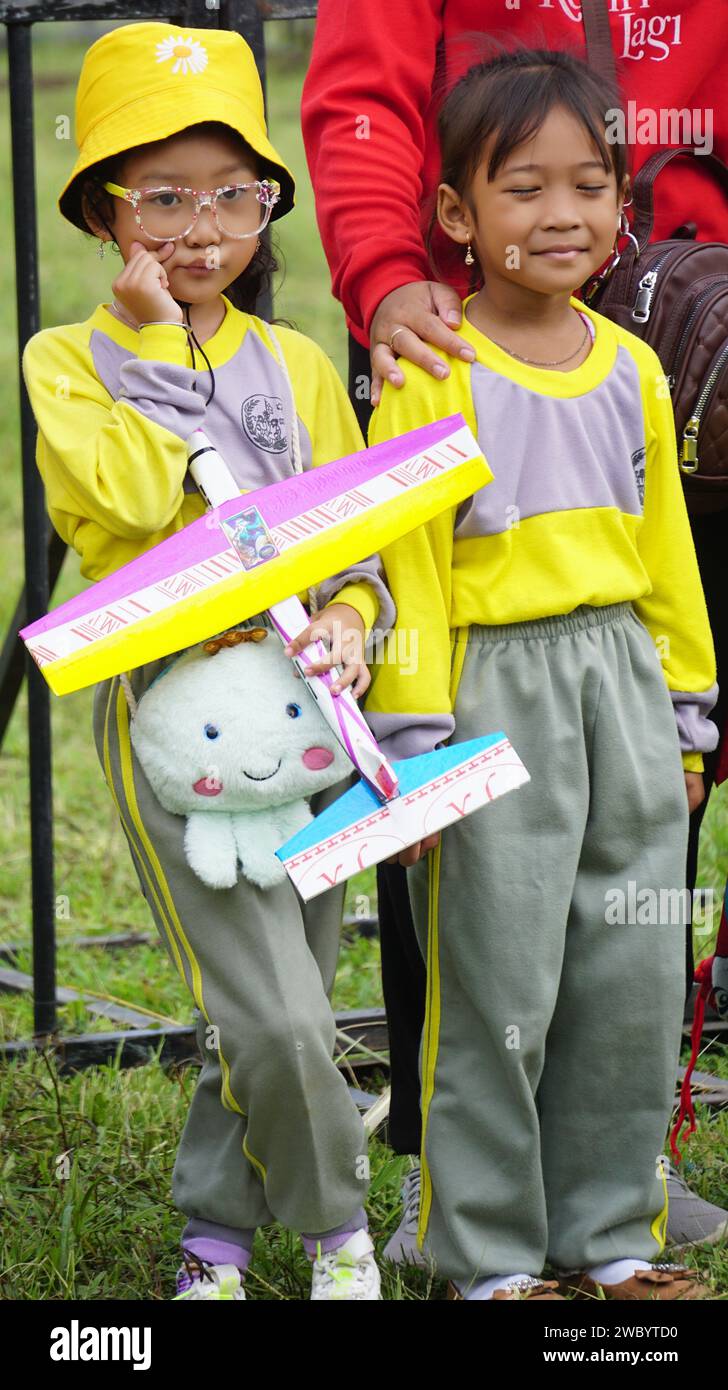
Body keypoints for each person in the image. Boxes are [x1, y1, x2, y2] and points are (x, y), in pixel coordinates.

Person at [302, 0, 728, 1257]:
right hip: (489, 685)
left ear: (616, 202)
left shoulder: (629, 372)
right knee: (492, 965)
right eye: (523, 189)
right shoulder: (430, 375)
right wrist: (416, 728)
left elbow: (666, 565)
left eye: (585, 186)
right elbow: (410, 569)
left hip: (625, 690)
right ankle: (477, 1234)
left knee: (626, 960)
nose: (557, 213)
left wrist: (688, 709)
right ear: (458, 217)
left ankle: (613, 1221)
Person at [21, 20, 391, 1302]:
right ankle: (341, 1227)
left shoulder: (293, 360)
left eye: (234, 194)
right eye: (161, 197)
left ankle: (215, 1242)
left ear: (266, 204)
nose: (200, 226)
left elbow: (352, 533)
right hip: (180, 718)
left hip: (310, 712)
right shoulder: (65, 362)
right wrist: (148, 353)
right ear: (99, 210)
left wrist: (351, 615)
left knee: (277, 998)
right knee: (283, 1021)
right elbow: (121, 510)